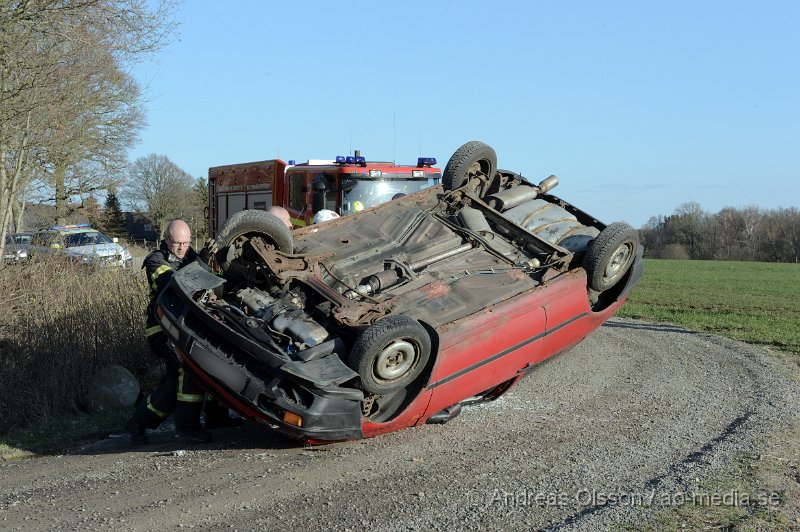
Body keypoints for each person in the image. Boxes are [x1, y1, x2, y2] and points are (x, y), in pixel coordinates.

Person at [125, 220, 239, 444]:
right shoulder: (155, 261)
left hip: (186, 327)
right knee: (187, 370)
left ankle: (214, 416)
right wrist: (202, 263)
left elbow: (209, 285)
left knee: (203, 365)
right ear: (166, 240)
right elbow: (177, 284)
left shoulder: (189, 256)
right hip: (162, 329)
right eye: (177, 243)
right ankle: (186, 426)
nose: (182, 248)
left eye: (186, 242)